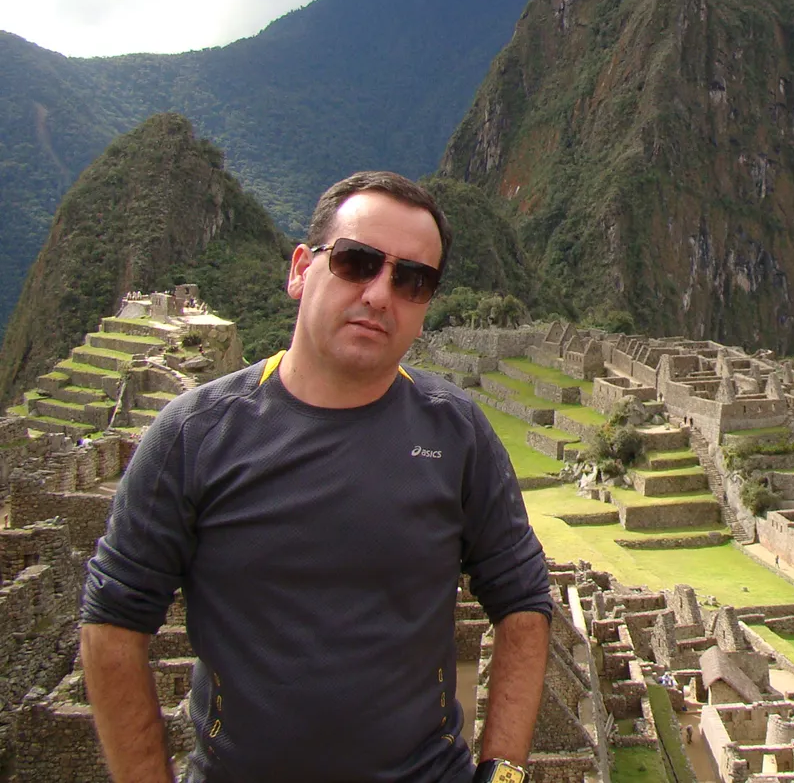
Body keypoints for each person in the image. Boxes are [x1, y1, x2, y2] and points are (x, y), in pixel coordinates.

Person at [80, 172, 555, 783]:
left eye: (413, 280)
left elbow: (521, 601)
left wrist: (505, 773)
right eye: (358, 263)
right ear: (302, 269)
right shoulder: (196, 435)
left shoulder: (456, 433)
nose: (381, 295)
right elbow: (114, 622)